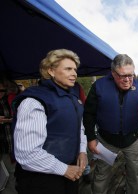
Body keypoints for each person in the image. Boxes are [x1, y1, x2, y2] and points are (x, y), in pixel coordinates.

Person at [83, 54, 138, 194]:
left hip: (133, 139)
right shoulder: (98, 86)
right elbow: (89, 113)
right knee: (101, 174)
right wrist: (90, 137)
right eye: (122, 76)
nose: (127, 80)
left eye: (131, 75)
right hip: (106, 141)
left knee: (134, 174)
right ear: (113, 73)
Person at [12, 49, 87, 194]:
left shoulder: (72, 97)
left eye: (75, 69)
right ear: (51, 71)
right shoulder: (33, 100)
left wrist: (82, 151)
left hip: (69, 173)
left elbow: (79, 127)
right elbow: (27, 153)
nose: (74, 74)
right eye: (68, 69)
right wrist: (64, 169)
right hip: (41, 180)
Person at [0, 75, 19, 194]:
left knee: (10, 175)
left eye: (2, 90)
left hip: (8, 146)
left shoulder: (6, 101)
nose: (0, 93)